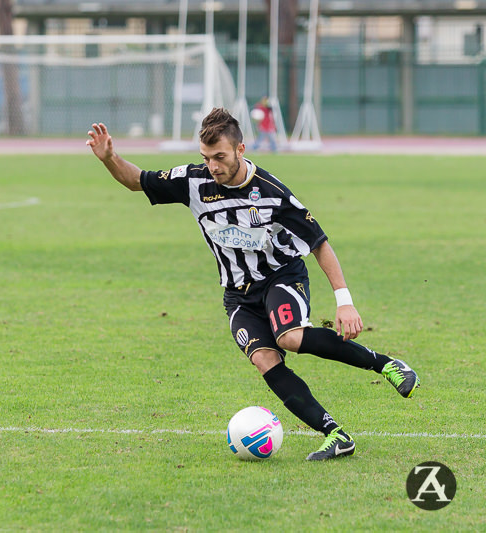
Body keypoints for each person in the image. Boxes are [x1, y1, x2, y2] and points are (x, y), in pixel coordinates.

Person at [87, 108, 419, 461]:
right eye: (206, 157)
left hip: (281, 276)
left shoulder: (273, 192)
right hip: (237, 295)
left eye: (220, 157)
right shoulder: (194, 181)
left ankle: (385, 364)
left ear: (240, 149)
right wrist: (110, 158)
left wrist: (345, 301)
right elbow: (137, 180)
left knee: (289, 337)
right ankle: (335, 434)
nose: (213, 166)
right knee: (264, 359)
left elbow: (319, 242)